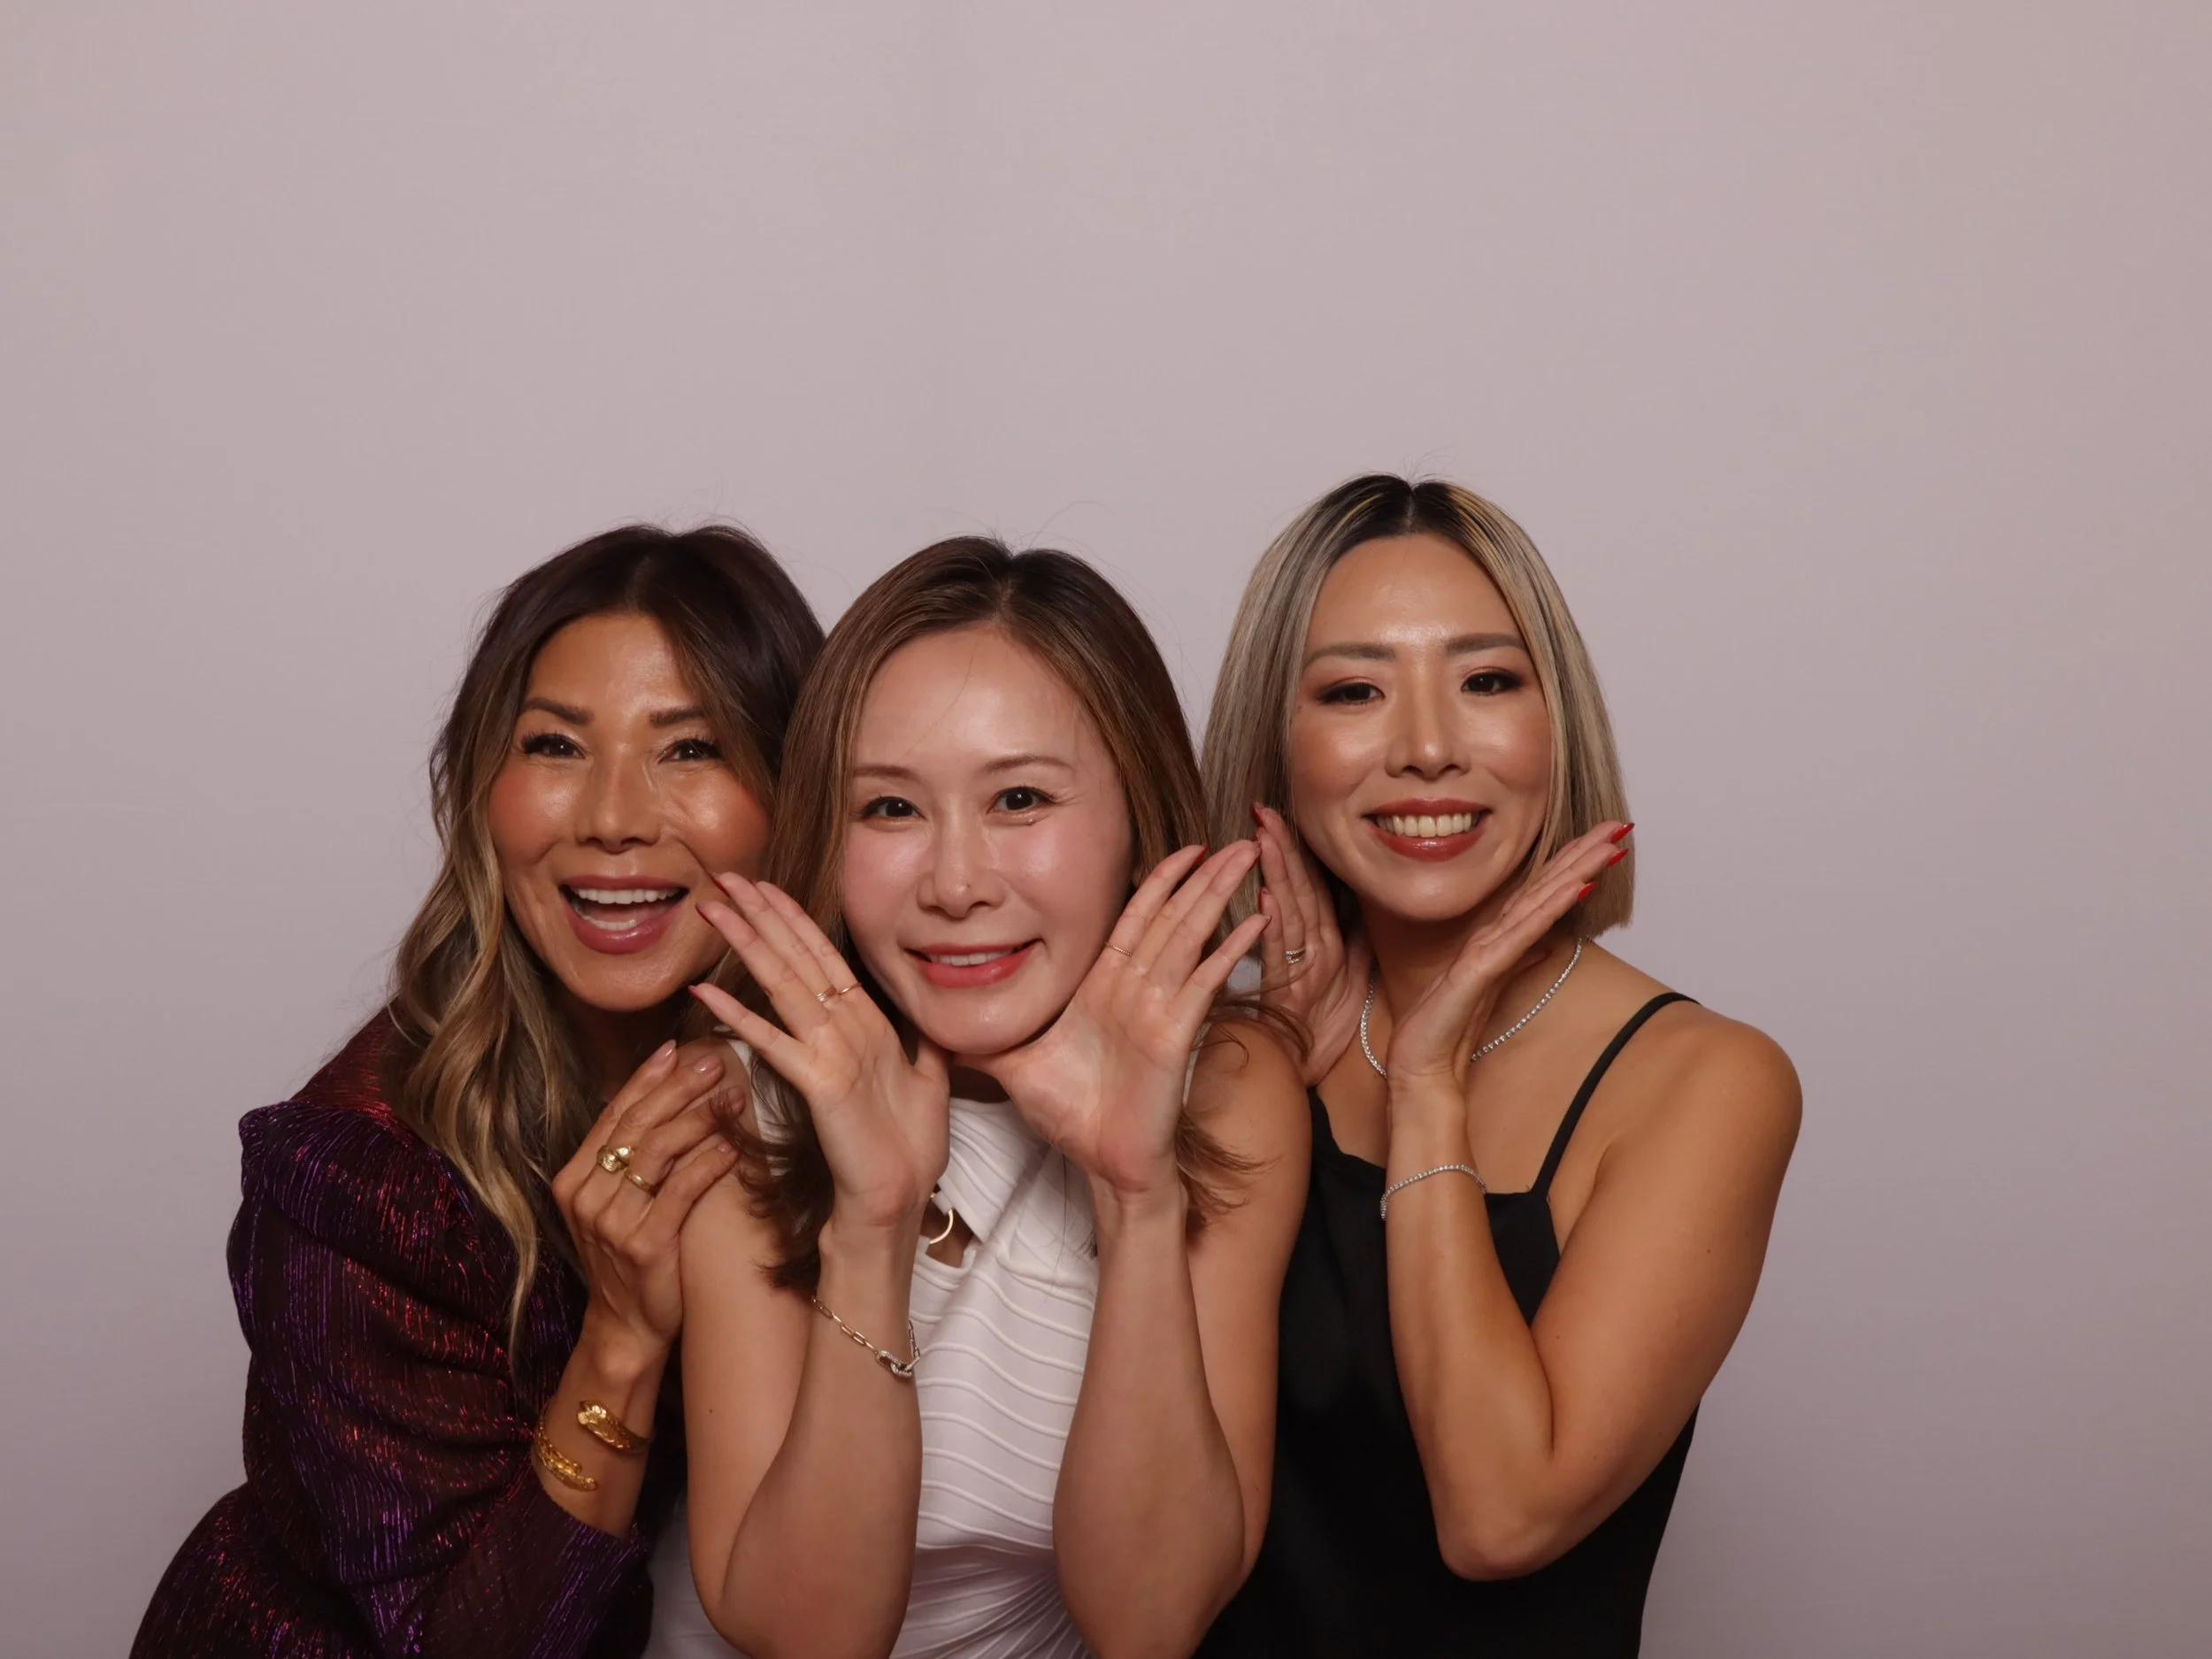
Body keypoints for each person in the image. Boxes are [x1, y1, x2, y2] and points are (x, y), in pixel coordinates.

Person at [134, 525, 823, 1659]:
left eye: (691, 748)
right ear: (481, 791)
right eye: (556, 746)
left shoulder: (836, 1084)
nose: (613, 816)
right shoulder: (358, 1180)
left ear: (800, 787)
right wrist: (619, 1341)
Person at [671, 538, 1310, 1659]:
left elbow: (1152, 1623)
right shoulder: (744, 1096)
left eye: (1019, 799)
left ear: (1136, 820)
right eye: (890, 809)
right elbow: (805, 1639)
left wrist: (1135, 1194)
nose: (957, 885)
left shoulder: (1230, 1086)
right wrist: (872, 1224)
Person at [1196, 476, 1801, 1657]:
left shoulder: (1708, 1082)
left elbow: (1499, 1517)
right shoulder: (1236, 1056)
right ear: (1275, 745)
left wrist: (1428, 1087)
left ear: (1557, 723)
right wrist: (1251, 1061)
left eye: (1486, 681)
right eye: (1354, 690)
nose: (1427, 747)